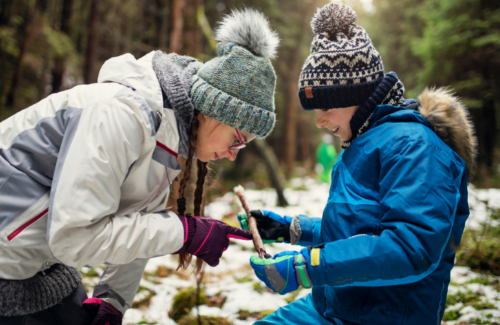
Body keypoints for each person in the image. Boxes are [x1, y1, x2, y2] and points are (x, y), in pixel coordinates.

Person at [0, 9, 279, 325]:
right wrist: (184, 233)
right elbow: (74, 236)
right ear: (216, 110)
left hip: (37, 262)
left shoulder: (166, 136)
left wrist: (112, 301)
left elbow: (136, 218)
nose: (233, 155)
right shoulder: (122, 114)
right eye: (238, 140)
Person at [240, 3, 477, 324]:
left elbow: (411, 249)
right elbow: (359, 230)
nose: (320, 121)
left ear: (356, 94)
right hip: (332, 307)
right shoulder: (361, 145)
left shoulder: (414, 146)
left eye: (325, 106)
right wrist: (291, 230)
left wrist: (306, 267)